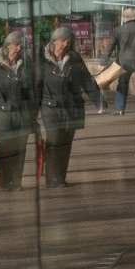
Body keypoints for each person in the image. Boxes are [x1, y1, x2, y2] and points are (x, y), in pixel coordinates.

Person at [37, 26, 100, 188]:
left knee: (65, 143)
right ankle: (51, 179)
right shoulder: (42, 60)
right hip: (49, 107)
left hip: (71, 107)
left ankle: (60, 178)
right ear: (54, 41)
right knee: (54, 140)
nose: (64, 44)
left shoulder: (74, 59)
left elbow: (87, 80)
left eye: (68, 41)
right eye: (62, 40)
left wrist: (99, 101)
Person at [0, 32, 36, 191]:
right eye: (16, 44)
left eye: (21, 45)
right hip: (1, 112)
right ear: (8, 46)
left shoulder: (26, 63)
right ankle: (4, 181)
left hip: (22, 112)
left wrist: (34, 114)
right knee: (8, 144)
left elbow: (31, 91)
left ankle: (17, 182)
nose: (19, 48)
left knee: (21, 147)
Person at [103, 7, 135, 115]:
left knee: (122, 84)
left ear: (125, 18)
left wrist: (103, 61)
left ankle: (120, 109)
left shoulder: (118, 30)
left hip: (124, 62)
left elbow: (110, 47)